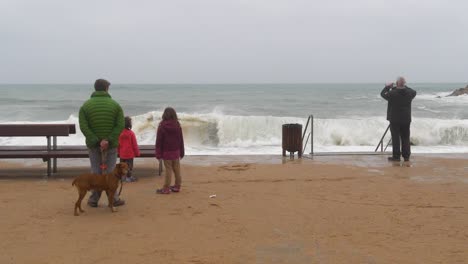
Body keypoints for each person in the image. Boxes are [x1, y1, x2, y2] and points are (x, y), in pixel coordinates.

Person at [79, 79, 125, 207]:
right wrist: (108, 140)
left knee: (95, 172)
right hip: (110, 146)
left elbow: (84, 126)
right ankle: (114, 199)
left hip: (93, 146)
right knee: (112, 173)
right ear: (106, 89)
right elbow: (120, 125)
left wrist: (96, 140)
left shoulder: (85, 106)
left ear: (95, 88)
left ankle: (94, 199)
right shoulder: (115, 105)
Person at [380, 77, 417, 162]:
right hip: (406, 119)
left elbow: (382, 94)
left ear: (397, 84)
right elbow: (414, 92)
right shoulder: (409, 93)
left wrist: (388, 87)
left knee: (395, 138)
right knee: (405, 137)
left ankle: (396, 157)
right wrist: (404, 86)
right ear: (404, 84)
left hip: (394, 119)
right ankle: (406, 156)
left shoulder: (392, 93)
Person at [155, 107, 185, 194]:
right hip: (176, 151)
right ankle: (177, 186)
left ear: (164, 115)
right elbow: (181, 140)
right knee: (177, 169)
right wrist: (182, 152)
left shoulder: (162, 126)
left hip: (166, 152)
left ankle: (166, 188)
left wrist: (158, 154)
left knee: (168, 170)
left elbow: (159, 141)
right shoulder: (177, 125)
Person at [118, 116, 140, 182]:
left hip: (122, 153)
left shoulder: (119, 133)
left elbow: (117, 144)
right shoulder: (131, 133)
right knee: (129, 166)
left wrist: (118, 152)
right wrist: (137, 153)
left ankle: (122, 177)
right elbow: (134, 145)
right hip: (130, 154)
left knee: (122, 166)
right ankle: (128, 177)